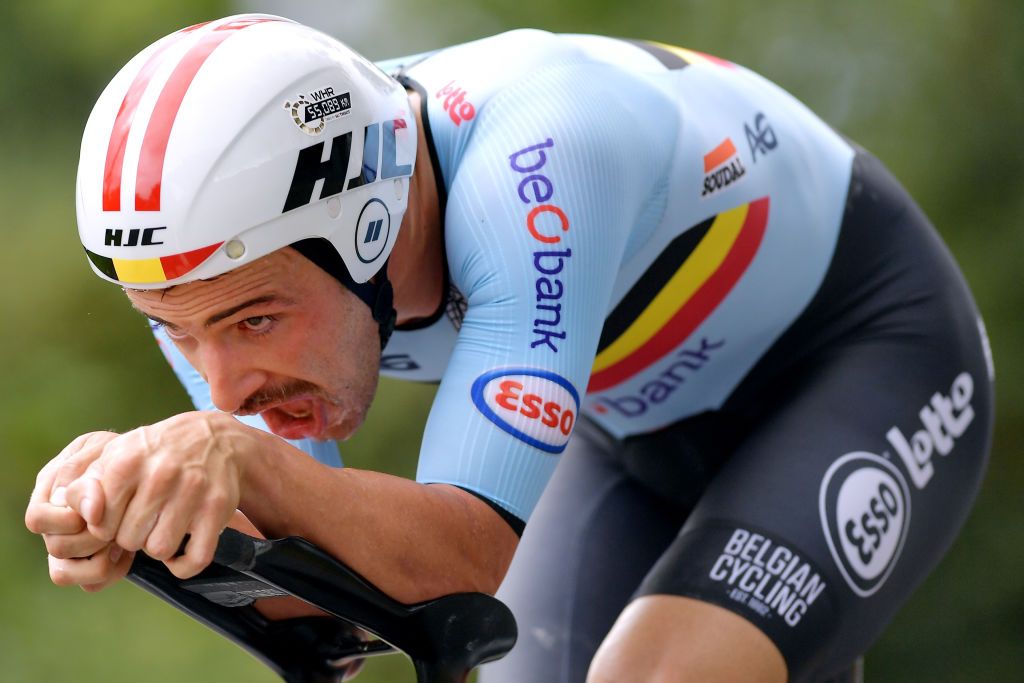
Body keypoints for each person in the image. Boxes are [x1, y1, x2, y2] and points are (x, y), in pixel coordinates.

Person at [24, 13, 993, 683]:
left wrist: (239, 465)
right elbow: (338, 619)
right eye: (176, 330)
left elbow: (459, 560)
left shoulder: (535, 160)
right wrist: (148, 520)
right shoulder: (227, 268)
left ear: (366, 230)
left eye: (254, 323)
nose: (227, 380)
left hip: (859, 358)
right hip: (629, 435)